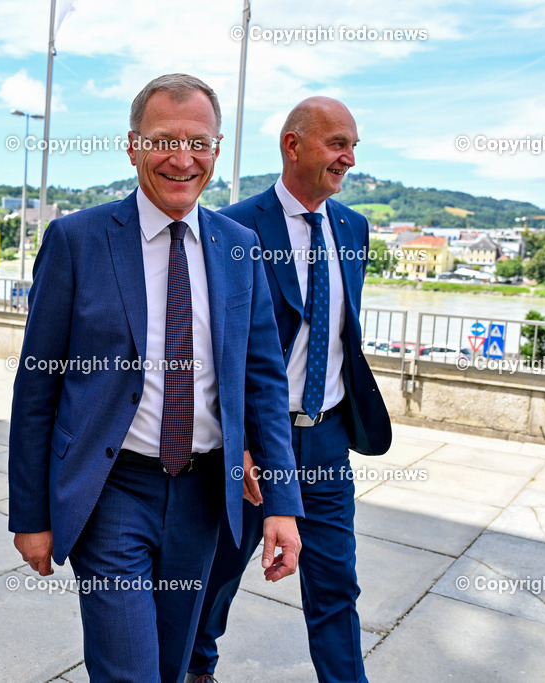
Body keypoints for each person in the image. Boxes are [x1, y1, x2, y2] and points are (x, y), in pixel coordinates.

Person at [8, 73, 304, 683]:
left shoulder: (239, 246)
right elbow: (36, 389)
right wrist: (30, 515)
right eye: (163, 139)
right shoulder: (77, 240)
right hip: (113, 490)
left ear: (217, 150)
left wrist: (281, 501)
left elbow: (264, 384)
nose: (181, 158)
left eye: (198, 142)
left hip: (203, 498)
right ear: (133, 145)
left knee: (171, 666)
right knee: (129, 672)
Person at [187, 97, 392, 683]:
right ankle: (197, 669)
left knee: (335, 582)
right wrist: (239, 445)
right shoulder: (230, 228)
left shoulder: (353, 228)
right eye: (337, 144)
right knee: (219, 574)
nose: (349, 158)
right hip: (254, 448)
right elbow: (210, 354)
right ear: (293, 144)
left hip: (327, 442)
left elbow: (342, 332)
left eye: (353, 145)